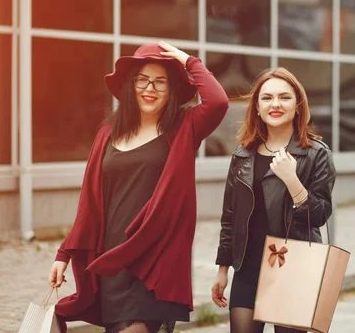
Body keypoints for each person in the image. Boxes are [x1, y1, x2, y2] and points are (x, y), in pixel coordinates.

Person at [48, 42, 229, 333]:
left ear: (172, 90)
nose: (150, 88)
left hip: (154, 262)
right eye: (143, 79)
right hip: (112, 261)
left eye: (161, 82)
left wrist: (188, 61)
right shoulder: (108, 133)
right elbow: (91, 204)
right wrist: (64, 254)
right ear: (131, 85)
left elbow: (218, 102)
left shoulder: (183, 128)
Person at [211, 67, 336, 333]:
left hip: (293, 266)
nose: (275, 104)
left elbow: (321, 213)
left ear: (298, 106)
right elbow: (230, 217)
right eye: (266, 98)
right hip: (247, 267)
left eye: (284, 97)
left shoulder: (316, 155)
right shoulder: (242, 155)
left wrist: (292, 180)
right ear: (256, 107)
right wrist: (223, 269)